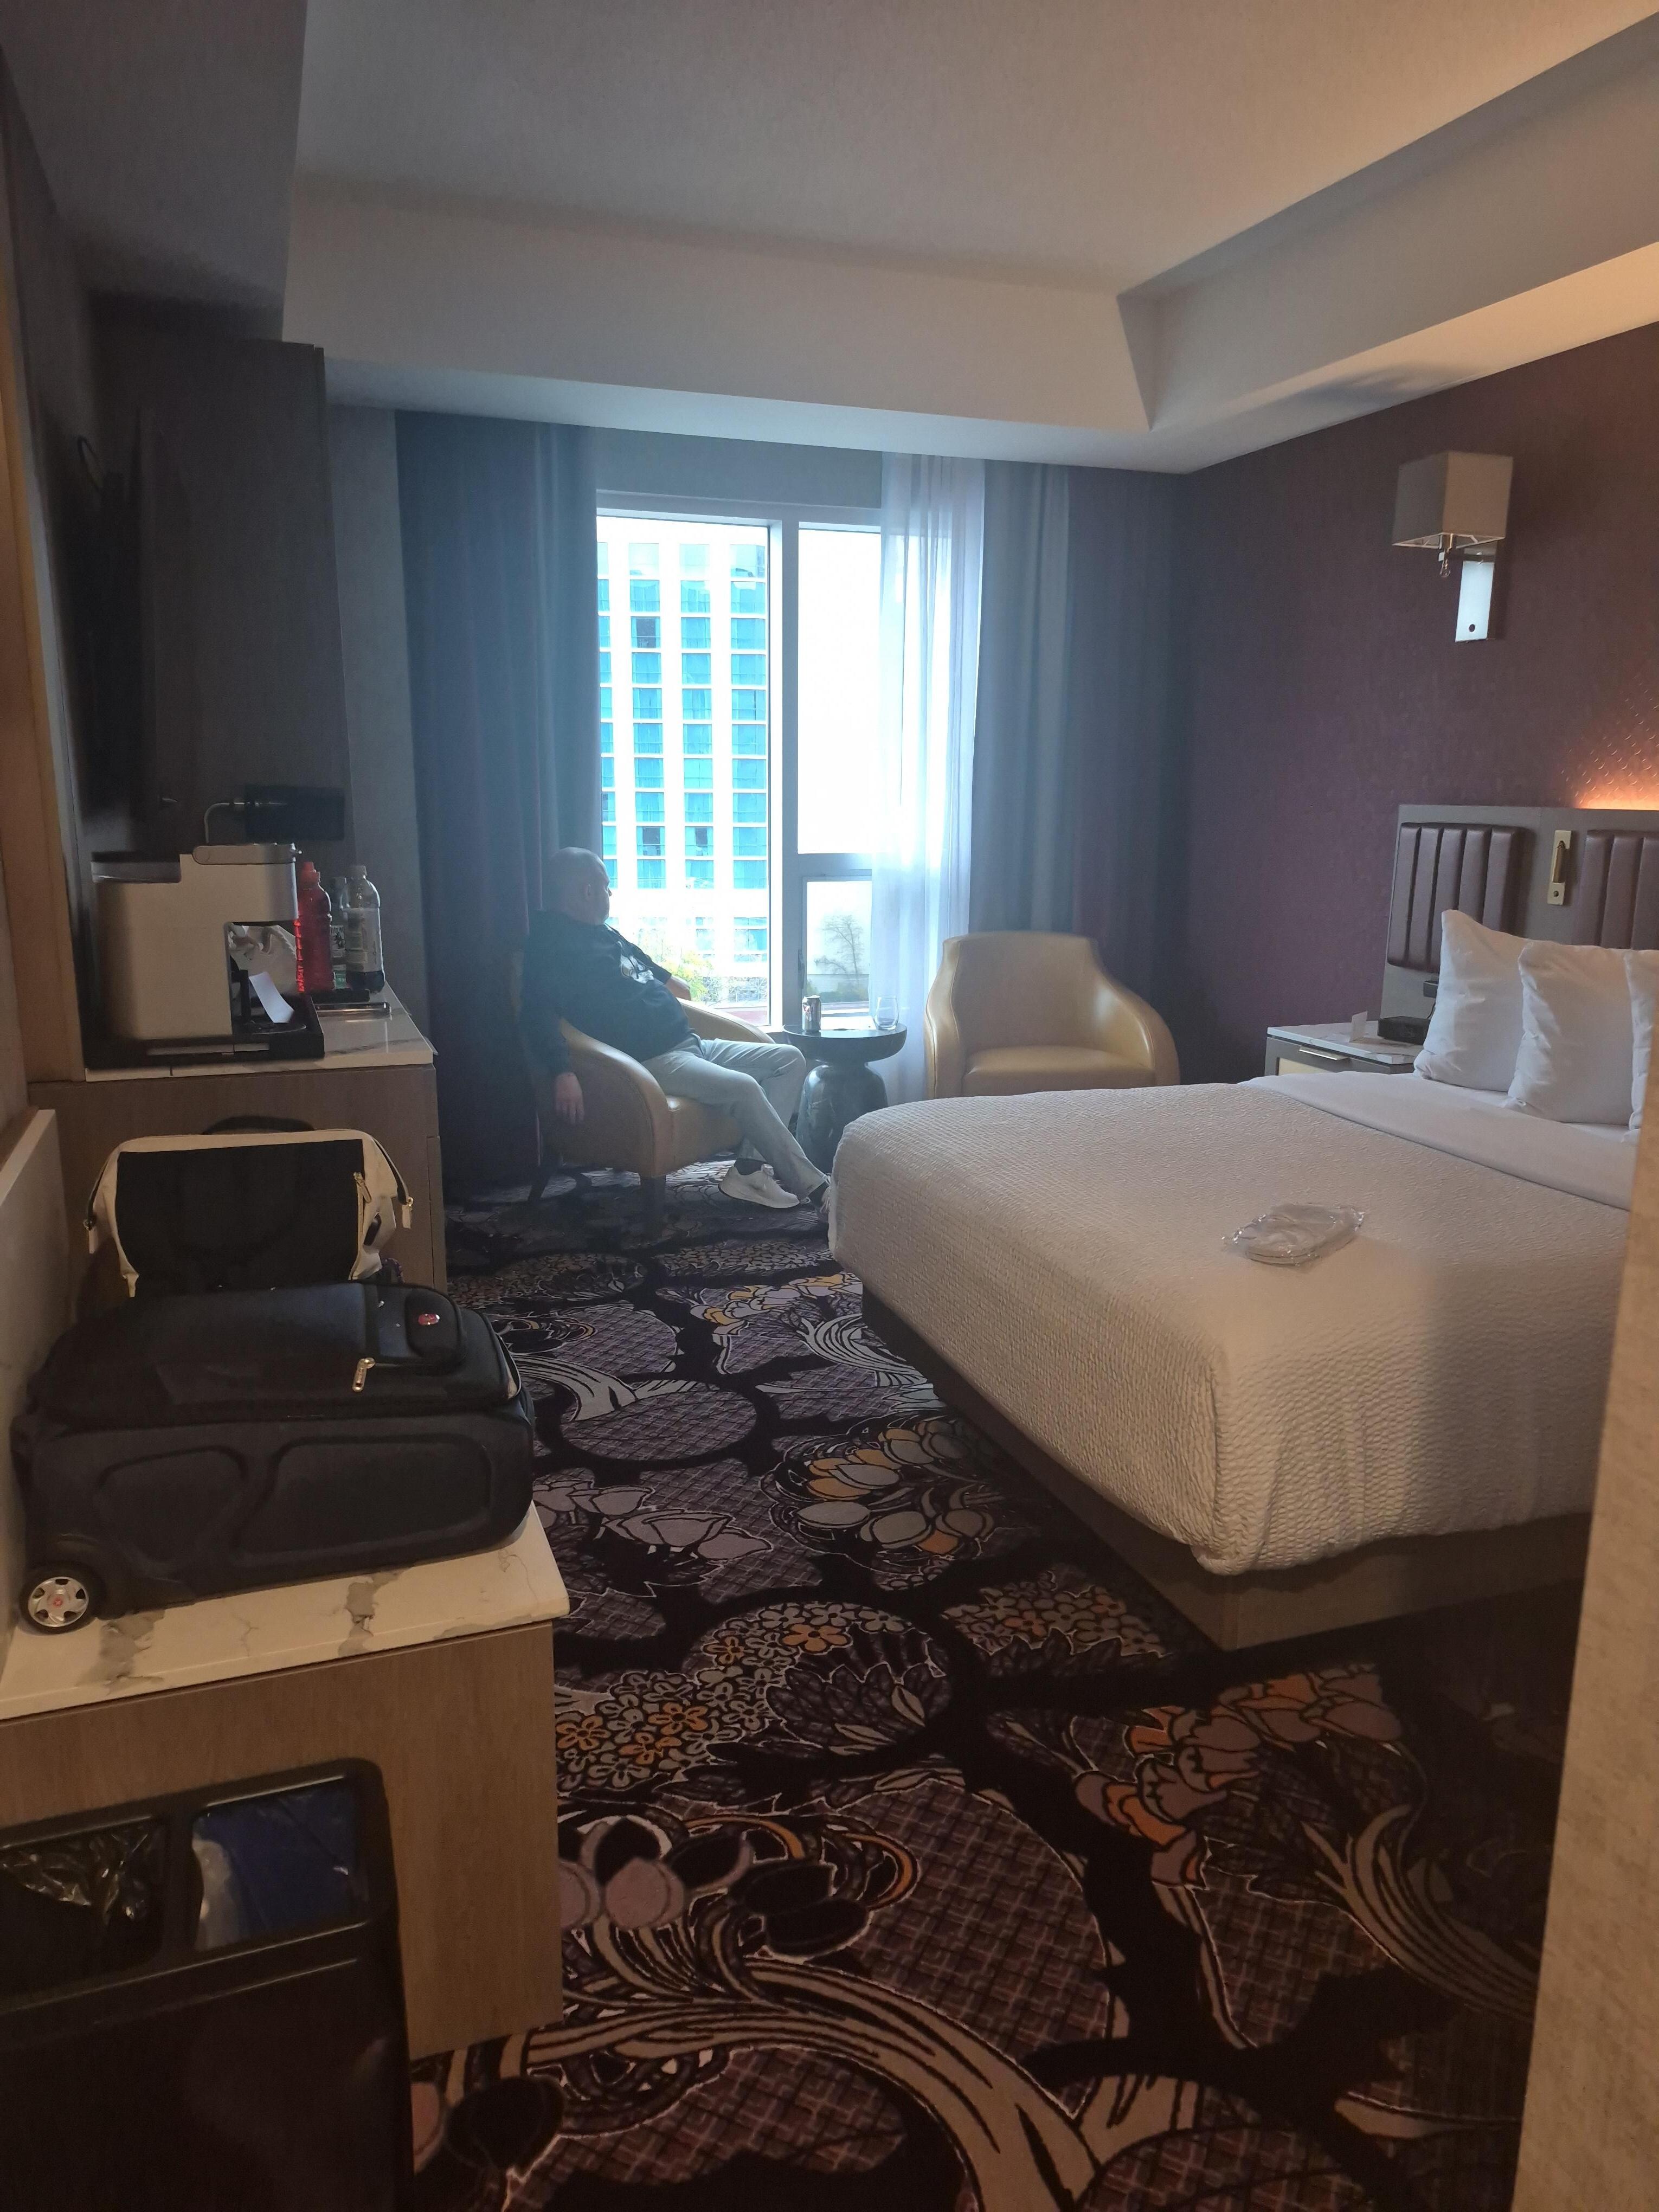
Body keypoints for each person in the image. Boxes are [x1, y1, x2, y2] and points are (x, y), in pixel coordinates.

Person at [518, 848, 828, 1210]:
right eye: (605, 885)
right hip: (652, 1062)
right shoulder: (552, 946)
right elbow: (535, 1014)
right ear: (587, 891)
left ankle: (748, 1170)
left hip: (689, 1043)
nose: (610, 893)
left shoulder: (606, 934)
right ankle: (819, 1190)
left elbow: (657, 976)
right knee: (744, 1088)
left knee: (789, 1059)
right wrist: (563, 1070)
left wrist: (670, 987)